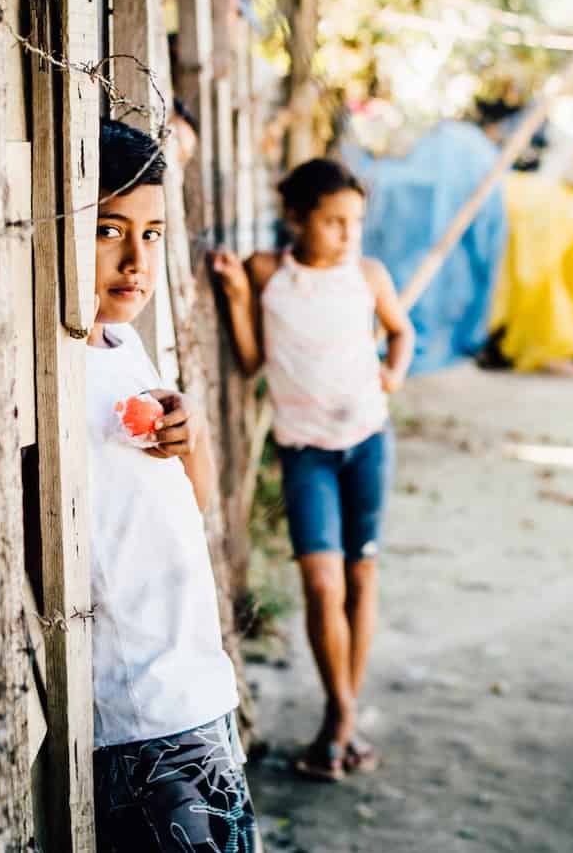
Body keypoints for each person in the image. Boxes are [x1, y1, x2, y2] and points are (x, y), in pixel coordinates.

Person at [211, 157, 414, 782]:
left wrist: (394, 372)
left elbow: (402, 332)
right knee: (323, 585)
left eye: (354, 222)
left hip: (367, 444)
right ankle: (343, 715)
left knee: (361, 577)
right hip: (306, 453)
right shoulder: (269, 273)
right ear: (296, 218)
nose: (348, 235)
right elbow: (250, 363)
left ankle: (339, 723)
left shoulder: (369, 276)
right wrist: (241, 298)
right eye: (332, 222)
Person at [86, 119, 257, 850]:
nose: (136, 258)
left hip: (198, 684)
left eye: (152, 234)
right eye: (108, 229)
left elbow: (201, 501)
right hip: (139, 711)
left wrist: (194, 437)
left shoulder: (126, 347)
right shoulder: (53, 368)